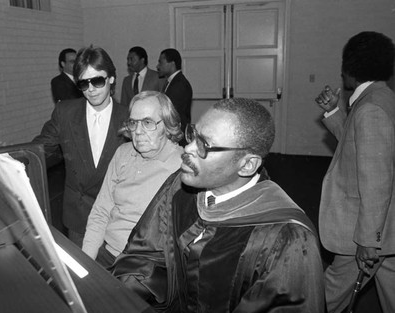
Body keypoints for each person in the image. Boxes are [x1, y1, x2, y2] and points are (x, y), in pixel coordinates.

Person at [112, 98, 325, 312]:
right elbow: (145, 256)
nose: (187, 149)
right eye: (193, 135)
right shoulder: (180, 187)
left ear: (247, 165)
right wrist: (116, 298)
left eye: (204, 145)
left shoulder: (289, 240)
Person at [314, 31, 395, 313]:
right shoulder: (382, 98)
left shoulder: (370, 108)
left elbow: (376, 180)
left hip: (368, 230)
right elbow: (358, 145)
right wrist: (333, 113)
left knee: (324, 297)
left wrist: (367, 240)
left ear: (349, 67)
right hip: (389, 227)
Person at [33, 46, 128, 247]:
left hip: (117, 219)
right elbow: (39, 150)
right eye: (84, 83)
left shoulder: (129, 117)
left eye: (98, 81)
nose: (91, 89)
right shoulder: (65, 113)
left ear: (111, 79)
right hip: (78, 219)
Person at [82, 91, 183, 268]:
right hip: (108, 253)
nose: (137, 131)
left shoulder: (182, 165)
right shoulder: (123, 153)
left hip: (147, 266)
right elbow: (101, 211)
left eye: (147, 122)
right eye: (133, 123)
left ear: (167, 125)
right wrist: (86, 262)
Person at [156, 48, 192, 146]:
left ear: (172, 63)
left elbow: (171, 114)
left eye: (161, 62)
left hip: (176, 138)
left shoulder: (179, 84)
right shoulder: (171, 82)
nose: (158, 66)